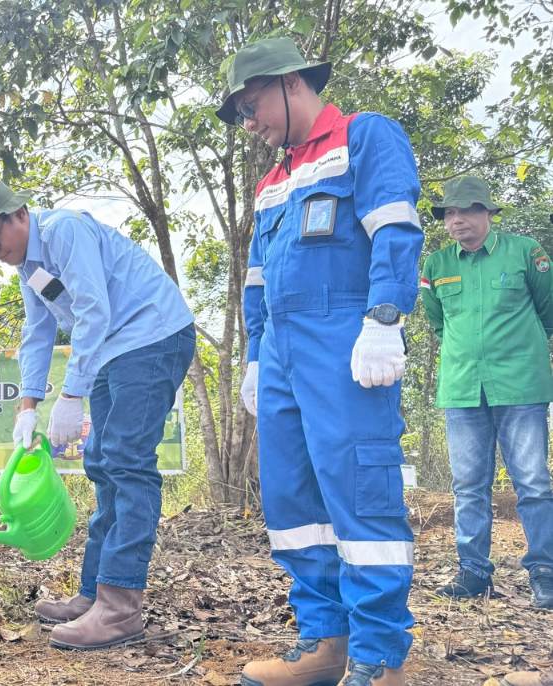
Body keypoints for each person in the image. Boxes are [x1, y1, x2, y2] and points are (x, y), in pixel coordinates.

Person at [216, 38, 424, 685]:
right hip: (280, 353)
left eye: (253, 108)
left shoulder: (364, 138)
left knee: (360, 494)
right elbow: (256, 281)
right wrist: (254, 358)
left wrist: (384, 318)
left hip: (345, 343)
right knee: (292, 500)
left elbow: (394, 227)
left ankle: (379, 655)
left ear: (291, 84)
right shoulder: (271, 184)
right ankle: (323, 641)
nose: (251, 125)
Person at [0, 176, 195, 650]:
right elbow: (38, 333)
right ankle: (94, 593)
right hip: (113, 350)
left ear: (18, 214)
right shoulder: (29, 269)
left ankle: (121, 608)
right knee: (102, 464)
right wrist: (28, 406)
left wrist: (70, 395)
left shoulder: (64, 231)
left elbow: (93, 310)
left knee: (126, 462)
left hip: (150, 336)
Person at [420, 175, 553, 608]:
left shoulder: (525, 252)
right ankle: (474, 572)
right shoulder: (436, 265)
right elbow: (438, 322)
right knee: (468, 486)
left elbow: (548, 311)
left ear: (488, 213)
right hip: (462, 389)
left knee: (532, 482)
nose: (457, 220)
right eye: (450, 213)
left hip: (520, 386)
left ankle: (544, 572)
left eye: (467, 210)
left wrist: (523, 352)